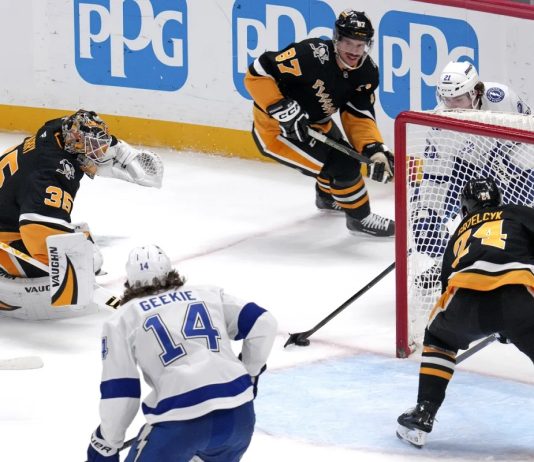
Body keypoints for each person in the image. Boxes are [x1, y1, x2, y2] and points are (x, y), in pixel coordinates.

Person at [87, 245, 277, 462]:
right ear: (171, 272)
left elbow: (121, 391)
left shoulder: (122, 319)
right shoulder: (207, 293)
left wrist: (106, 443)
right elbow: (263, 322)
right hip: (238, 416)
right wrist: (250, 372)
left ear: (129, 282)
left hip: (181, 424)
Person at [397, 177, 534, 448]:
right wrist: (508, 323)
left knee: (439, 338)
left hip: (464, 297)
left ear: (465, 207)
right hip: (519, 297)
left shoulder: (459, 231)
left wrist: (490, 321)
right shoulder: (517, 211)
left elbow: (446, 283)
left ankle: (425, 411)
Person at [244, 9, 394, 237]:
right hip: (276, 130)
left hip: (316, 125)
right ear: (337, 39)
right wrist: (280, 106)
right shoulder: (309, 54)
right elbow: (258, 72)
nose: (354, 51)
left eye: (360, 45)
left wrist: (372, 148)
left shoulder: (366, 73)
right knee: (345, 164)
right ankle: (359, 218)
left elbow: (358, 114)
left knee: (344, 156)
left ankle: (326, 198)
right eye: (349, 43)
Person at [0, 109, 163, 319]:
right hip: (6, 235)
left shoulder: (55, 131)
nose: (97, 154)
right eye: (93, 149)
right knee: (87, 256)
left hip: (9, 211)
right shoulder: (50, 174)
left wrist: (122, 152)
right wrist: (74, 267)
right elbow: (36, 232)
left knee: (83, 244)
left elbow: (85, 130)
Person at [412, 60, 532, 289]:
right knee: (428, 223)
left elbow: (530, 136)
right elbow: (436, 177)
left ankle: (518, 263)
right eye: (446, 99)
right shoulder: (440, 123)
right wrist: (427, 211)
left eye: (458, 99)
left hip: (510, 164)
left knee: (515, 215)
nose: (451, 106)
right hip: (468, 166)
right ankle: (449, 262)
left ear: (476, 93)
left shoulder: (501, 98)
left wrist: (512, 162)